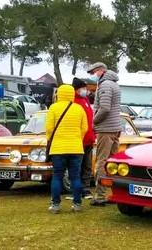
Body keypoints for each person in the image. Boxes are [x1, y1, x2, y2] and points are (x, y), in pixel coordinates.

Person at [46, 84, 88, 213]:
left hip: (58, 148)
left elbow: (49, 129)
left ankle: (56, 205)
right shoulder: (79, 108)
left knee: (57, 176)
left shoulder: (53, 108)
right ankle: (77, 204)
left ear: (59, 94)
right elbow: (85, 128)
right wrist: (77, 139)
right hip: (76, 148)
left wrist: (51, 139)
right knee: (75, 176)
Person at [87, 62, 122, 206]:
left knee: (102, 162)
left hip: (106, 129)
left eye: (93, 72)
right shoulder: (114, 84)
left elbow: (105, 108)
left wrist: (93, 122)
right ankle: (115, 194)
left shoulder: (105, 85)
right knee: (113, 163)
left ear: (101, 71)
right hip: (115, 127)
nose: (92, 75)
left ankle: (100, 195)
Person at [72, 77, 96, 199]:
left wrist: (93, 134)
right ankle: (77, 189)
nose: (85, 90)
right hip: (78, 140)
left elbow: (90, 118)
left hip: (89, 139)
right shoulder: (73, 101)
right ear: (76, 90)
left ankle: (85, 189)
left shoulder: (85, 99)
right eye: (83, 88)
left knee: (87, 166)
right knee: (77, 166)